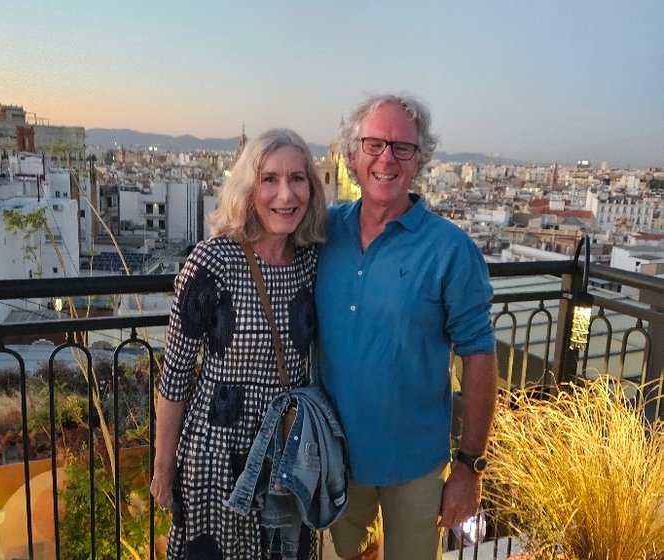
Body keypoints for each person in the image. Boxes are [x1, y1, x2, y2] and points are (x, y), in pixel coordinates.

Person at [315, 94, 497, 560]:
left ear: (419, 160)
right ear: (351, 154)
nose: (386, 158)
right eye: (374, 144)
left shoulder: (450, 249)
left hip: (415, 464)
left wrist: (469, 468)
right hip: (333, 459)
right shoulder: (323, 231)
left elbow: (480, 356)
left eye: (403, 147)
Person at [151, 128, 327, 559]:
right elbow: (175, 375)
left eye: (297, 178)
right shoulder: (214, 261)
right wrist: (163, 466)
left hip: (285, 452)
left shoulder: (310, 261)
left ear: (311, 188)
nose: (285, 194)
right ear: (248, 189)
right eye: (269, 179)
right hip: (219, 451)